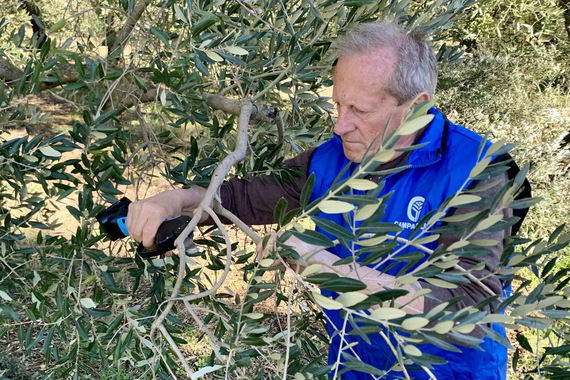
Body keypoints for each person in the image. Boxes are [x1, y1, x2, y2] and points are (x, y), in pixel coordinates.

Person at [126, 20, 529, 379]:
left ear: (416, 108)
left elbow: (467, 309)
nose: (340, 125)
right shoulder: (333, 158)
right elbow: (241, 198)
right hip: (354, 361)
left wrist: (328, 266)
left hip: (443, 371)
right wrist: (176, 200)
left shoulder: (480, 175)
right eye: (338, 104)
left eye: (360, 109)